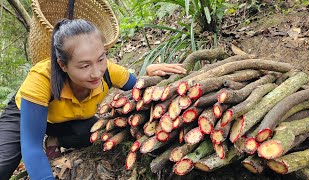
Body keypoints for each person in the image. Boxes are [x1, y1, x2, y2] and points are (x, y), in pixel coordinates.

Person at [0, 19, 186, 180]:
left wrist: (150, 75)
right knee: (4, 163)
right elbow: (31, 147)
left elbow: (138, 88)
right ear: (62, 65)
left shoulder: (109, 72)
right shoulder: (41, 79)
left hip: (64, 120)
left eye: (101, 59)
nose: (96, 72)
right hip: (27, 116)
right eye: (84, 66)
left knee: (91, 134)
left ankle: (54, 139)